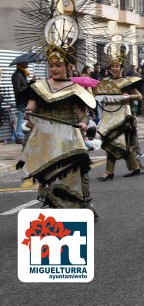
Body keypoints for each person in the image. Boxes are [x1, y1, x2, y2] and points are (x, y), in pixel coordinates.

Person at [17, 50, 97, 214]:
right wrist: (28, 112)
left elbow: (82, 115)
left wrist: (83, 124)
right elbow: (31, 106)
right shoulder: (39, 87)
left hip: (69, 137)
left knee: (74, 173)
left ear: (67, 66)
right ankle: (56, 210)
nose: (54, 69)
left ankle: (79, 206)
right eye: (51, 65)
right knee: (50, 177)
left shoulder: (76, 89)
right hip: (45, 138)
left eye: (58, 65)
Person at [96, 57, 144, 181]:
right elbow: (99, 95)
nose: (114, 69)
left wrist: (127, 96)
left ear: (121, 68)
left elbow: (139, 97)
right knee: (110, 140)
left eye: (117, 66)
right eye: (112, 66)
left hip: (123, 115)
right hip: (108, 115)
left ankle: (109, 171)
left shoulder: (126, 82)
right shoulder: (106, 82)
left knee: (121, 141)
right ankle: (134, 168)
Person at [11, 62, 32, 144]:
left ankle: (21, 135)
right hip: (21, 99)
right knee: (21, 116)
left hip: (25, 98)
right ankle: (19, 136)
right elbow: (18, 89)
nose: (27, 64)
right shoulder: (17, 75)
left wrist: (31, 82)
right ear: (21, 64)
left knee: (23, 116)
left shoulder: (22, 73)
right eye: (25, 63)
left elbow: (24, 86)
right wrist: (28, 88)